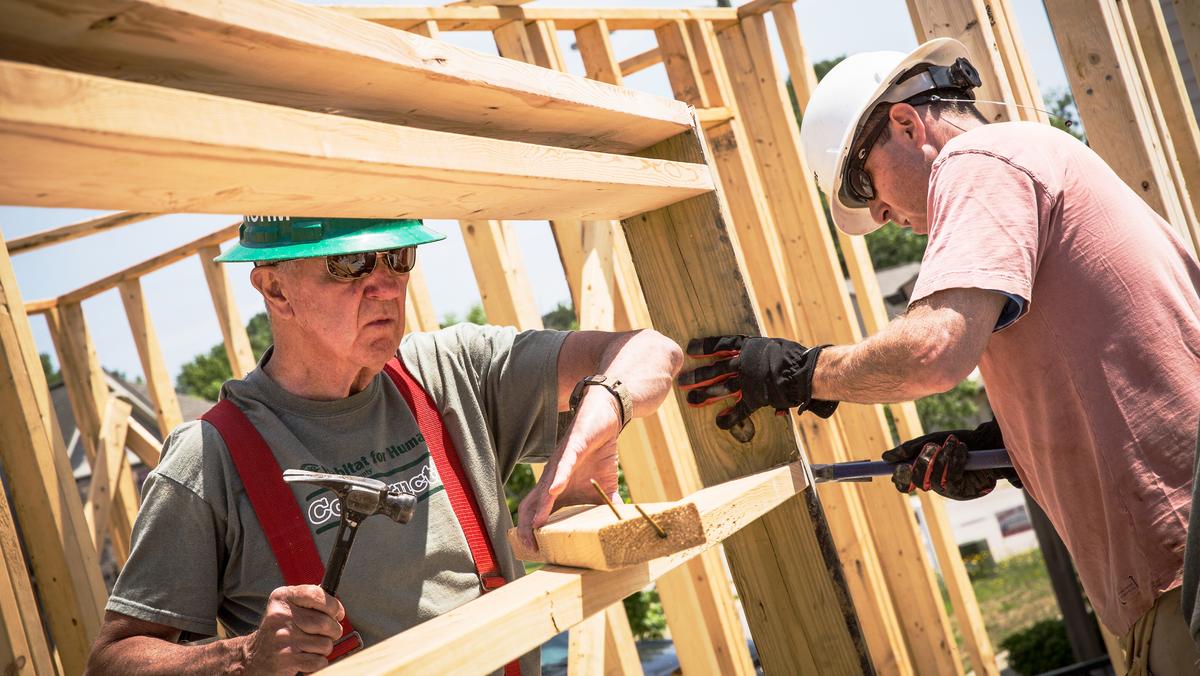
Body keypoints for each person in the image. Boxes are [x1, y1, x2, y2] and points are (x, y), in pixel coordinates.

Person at [678, 39, 1200, 674]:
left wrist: (799, 374)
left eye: (862, 182)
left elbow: (933, 351)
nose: (879, 212)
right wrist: (1004, 451)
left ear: (905, 122)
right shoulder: (1029, 156)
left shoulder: (978, 161)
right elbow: (1122, 364)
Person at [86, 216, 683, 674]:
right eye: (349, 265)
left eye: (397, 257)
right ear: (275, 289)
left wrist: (595, 415)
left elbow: (649, 352)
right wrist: (244, 657)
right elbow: (113, 660)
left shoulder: (451, 373)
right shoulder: (208, 458)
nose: (385, 287)